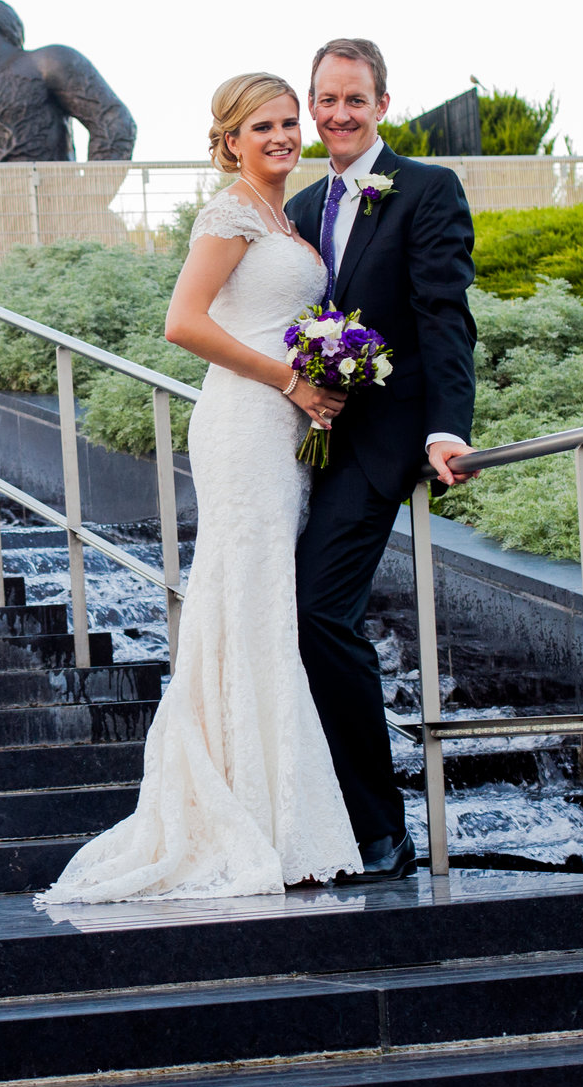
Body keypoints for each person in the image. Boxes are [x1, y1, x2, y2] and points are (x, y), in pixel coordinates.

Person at [40, 73, 363, 899]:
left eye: (292, 122)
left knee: (256, 601)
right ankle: (251, 813)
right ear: (230, 140)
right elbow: (183, 321)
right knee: (246, 597)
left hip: (279, 429)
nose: (286, 135)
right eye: (265, 125)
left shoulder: (285, 215)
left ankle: (269, 802)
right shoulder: (229, 212)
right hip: (246, 422)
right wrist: (291, 380)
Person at [287, 38, 479, 884]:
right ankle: (320, 816)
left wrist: (446, 427)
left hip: (380, 442)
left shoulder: (427, 190)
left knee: (321, 612)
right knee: (293, 617)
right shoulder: (294, 207)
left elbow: (444, 315)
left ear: (382, 104)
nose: (337, 113)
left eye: (353, 99)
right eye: (324, 98)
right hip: (300, 447)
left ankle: (381, 831)